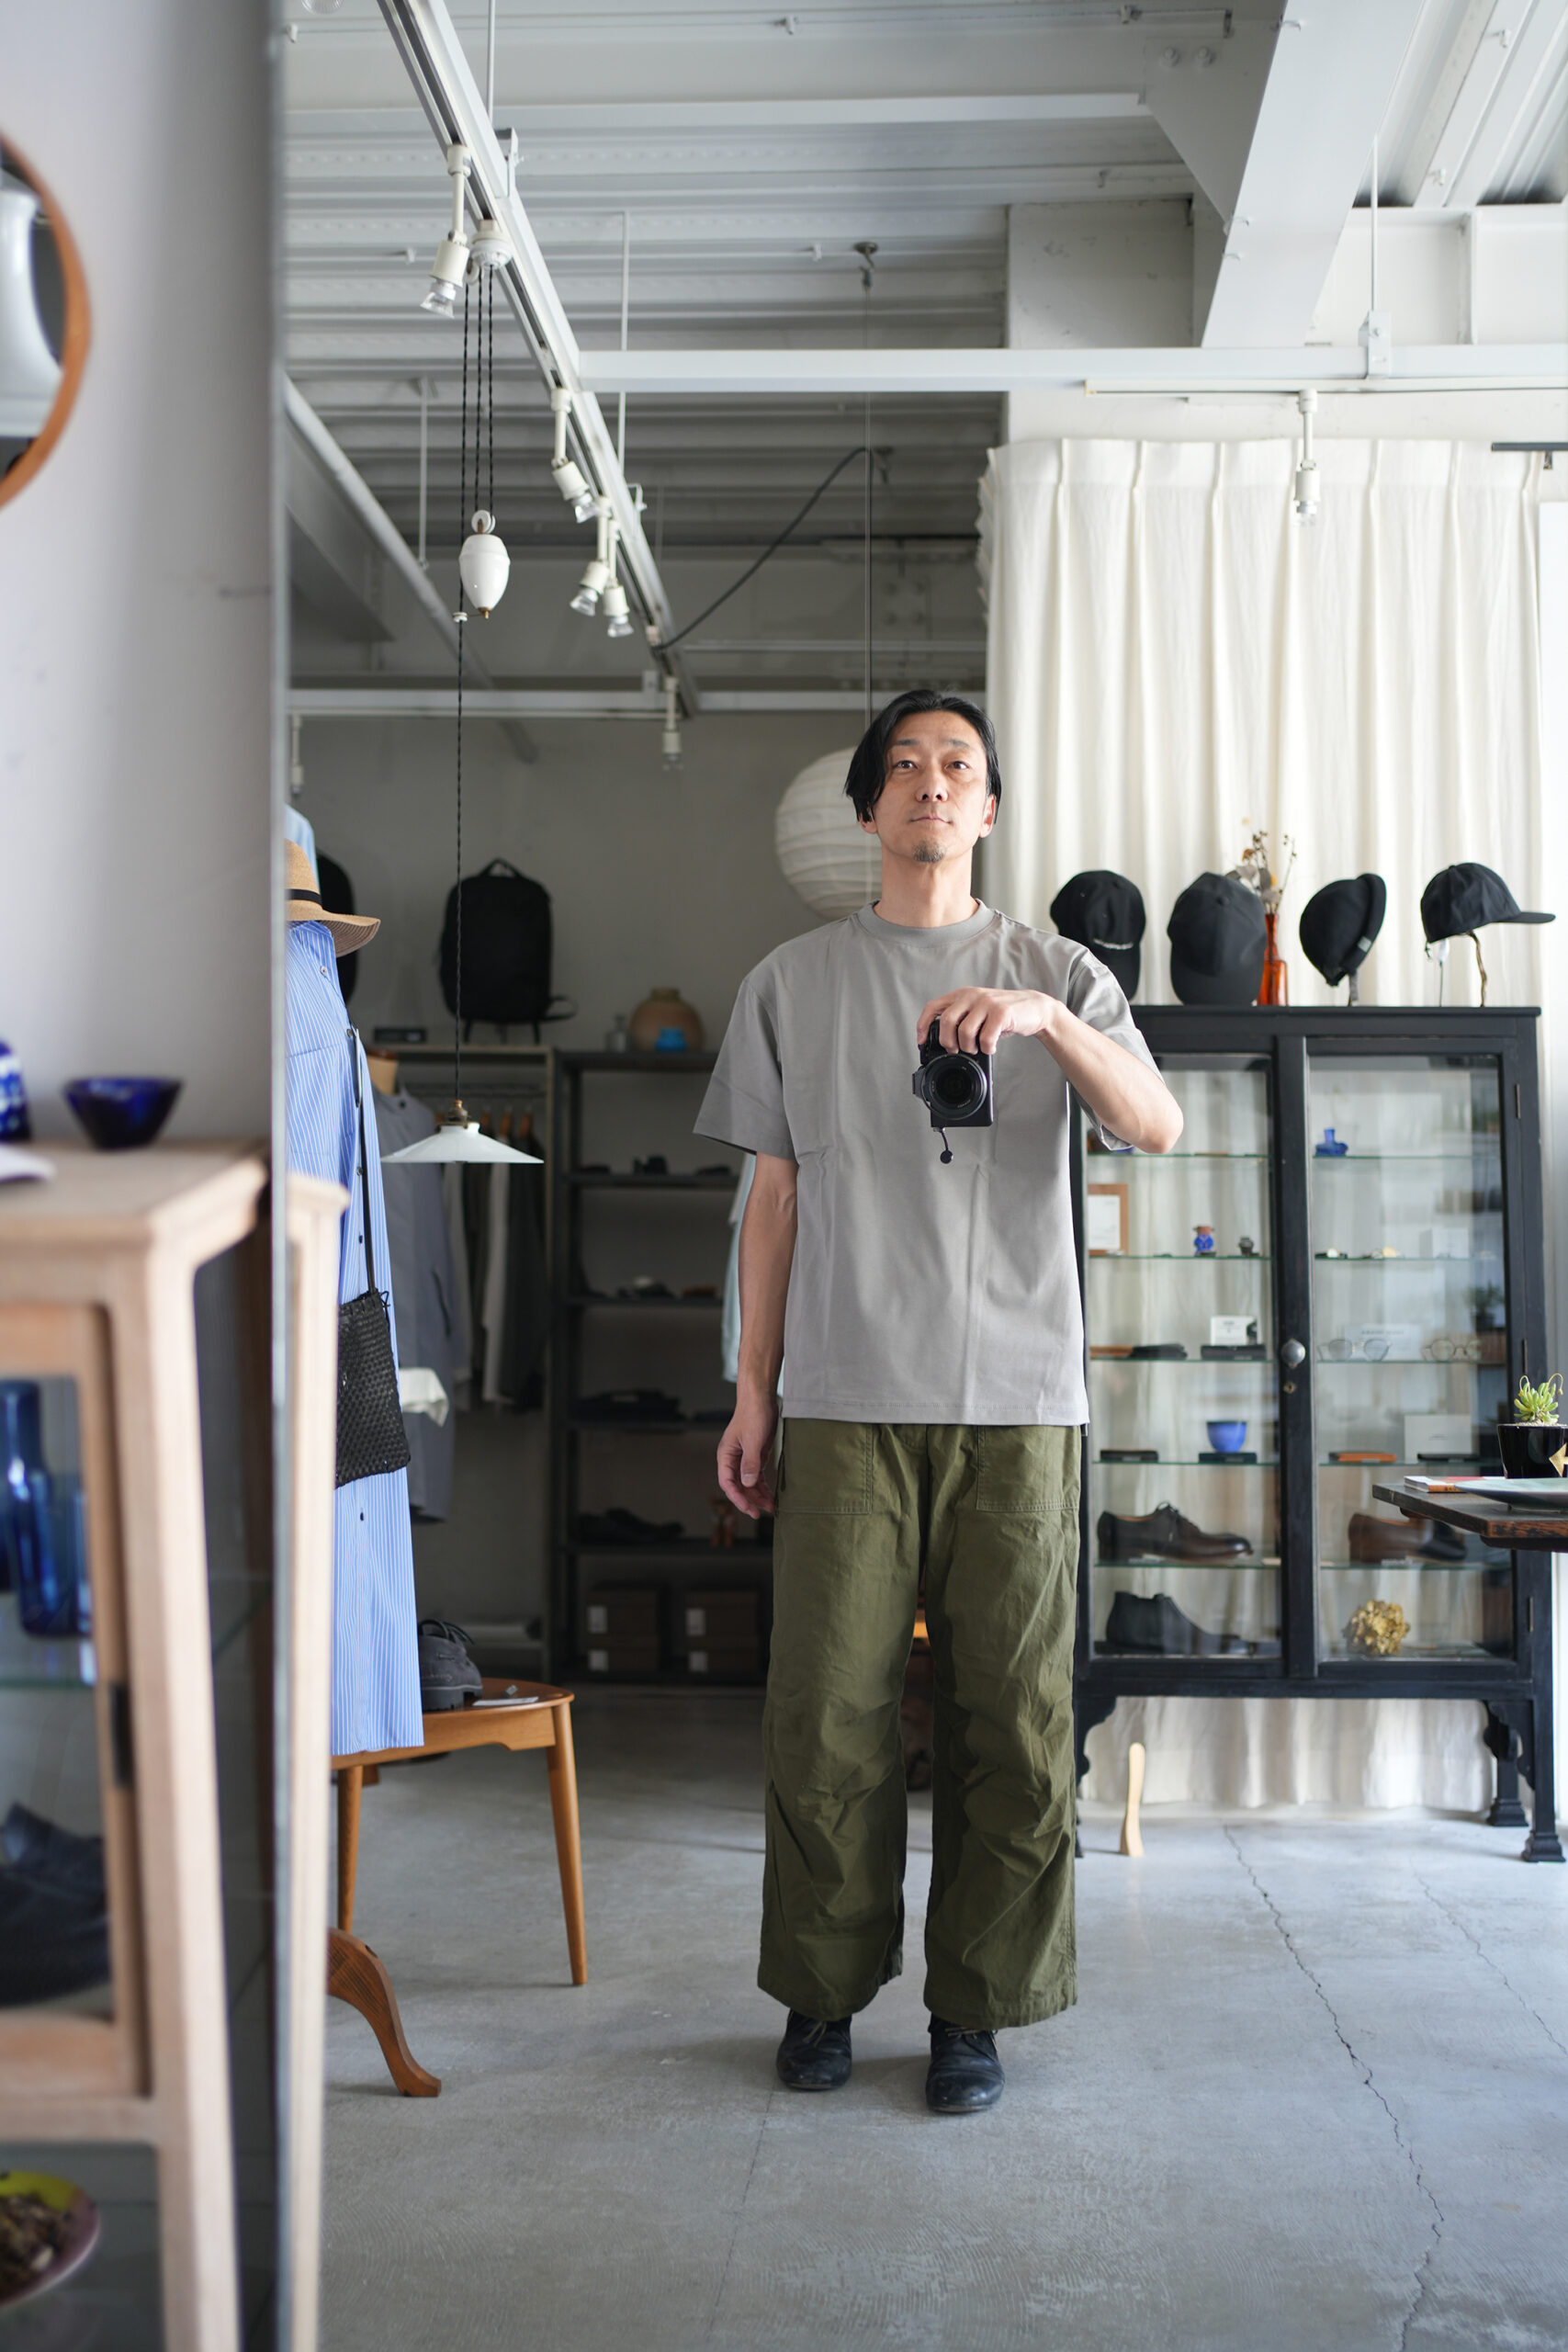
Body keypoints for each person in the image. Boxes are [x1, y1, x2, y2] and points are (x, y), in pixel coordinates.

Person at [694, 689, 1182, 2115]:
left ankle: (976, 2010)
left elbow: (1154, 1124)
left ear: (988, 807)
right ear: (868, 808)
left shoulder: (1057, 968)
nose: (929, 783)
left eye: (956, 765)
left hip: (1021, 1404)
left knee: (1014, 1722)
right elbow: (772, 1203)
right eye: (902, 765)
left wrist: (1044, 1019)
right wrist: (751, 1392)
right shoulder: (791, 982)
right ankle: (822, 1992)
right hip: (844, 1398)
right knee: (825, 1714)